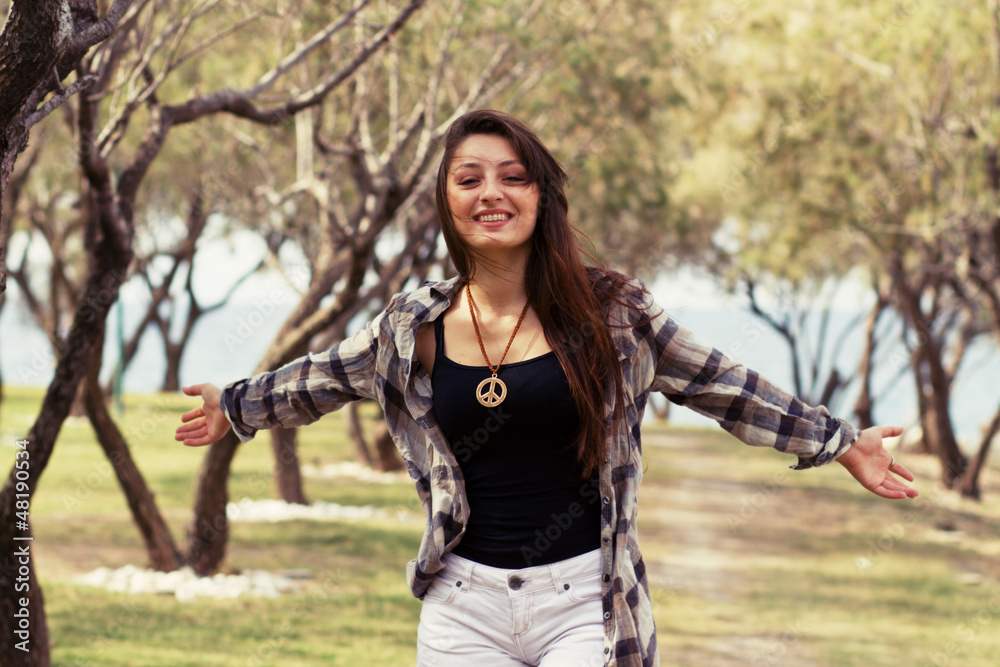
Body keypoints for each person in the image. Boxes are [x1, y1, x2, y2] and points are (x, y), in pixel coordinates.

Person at [174, 109, 918, 667]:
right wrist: (236, 404)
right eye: (468, 179)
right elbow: (328, 374)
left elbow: (724, 383)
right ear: (447, 201)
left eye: (512, 176)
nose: (490, 193)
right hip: (462, 607)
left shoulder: (616, 313)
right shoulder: (414, 324)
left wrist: (841, 442)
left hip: (586, 604)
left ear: (541, 194)